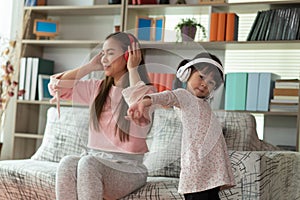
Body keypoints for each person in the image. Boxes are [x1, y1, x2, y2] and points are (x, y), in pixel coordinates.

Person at [48, 32, 155, 200]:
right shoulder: (96, 88)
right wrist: (89, 67)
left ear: (128, 54)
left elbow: (138, 102)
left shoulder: (148, 92)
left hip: (129, 169)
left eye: (110, 53)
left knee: (88, 162)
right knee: (67, 163)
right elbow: (58, 87)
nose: (104, 58)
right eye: (103, 53)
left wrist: (133, 69)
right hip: (97, 162)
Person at [127, 52, 236, 200]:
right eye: (202, 77)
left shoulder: (204, 105)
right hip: (197, 171)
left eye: (211, 83)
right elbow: (165, 97)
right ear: (187, 74)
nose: (205, 84)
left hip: (211, 172)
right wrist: (143, 102)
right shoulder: (184, 96)